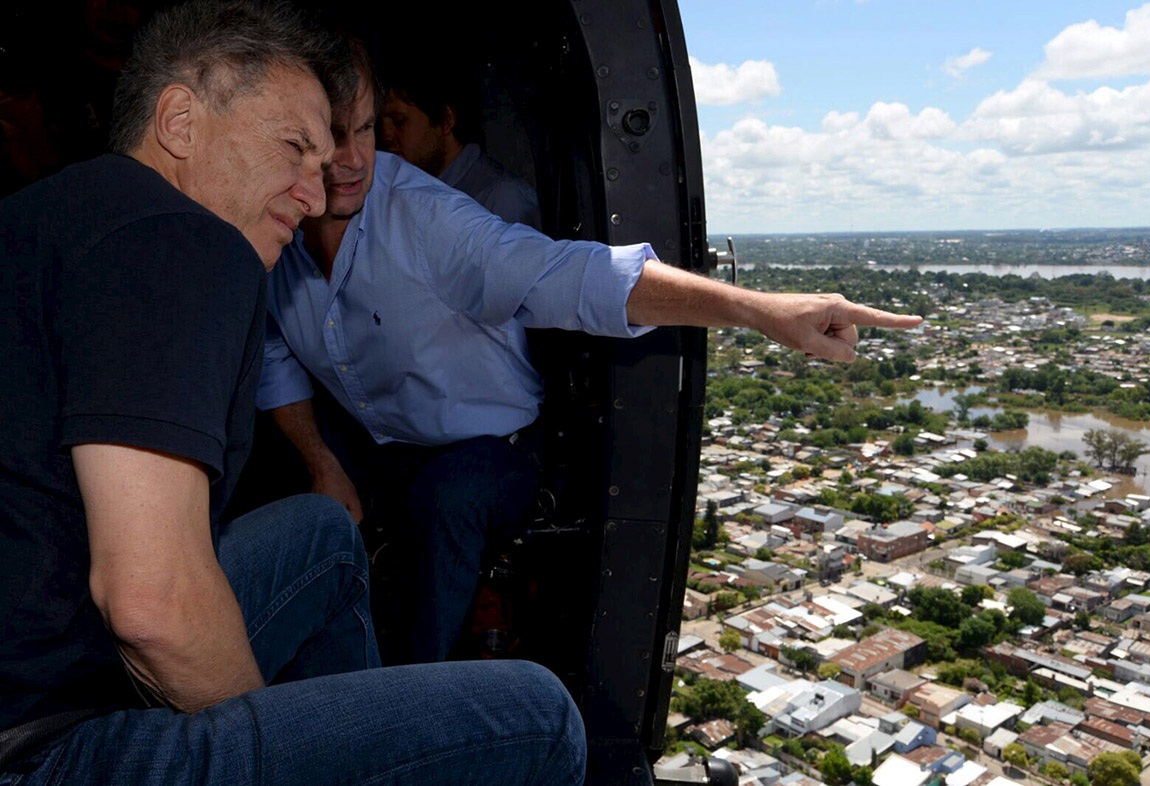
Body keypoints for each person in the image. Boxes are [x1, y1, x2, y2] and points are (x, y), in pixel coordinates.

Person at [0, 3, 586, 784]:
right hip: (45, 745)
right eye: (295, 149)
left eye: (330, 160)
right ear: (179, 120)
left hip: (42, 653)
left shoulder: (48, 214)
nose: (315, 196)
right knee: (540, 716)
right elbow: (151, 605)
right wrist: (272, 739)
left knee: (321, 536)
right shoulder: (182, 240)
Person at [259, 42, 923, 667]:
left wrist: (757, 310)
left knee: (446, 500)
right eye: (322, 139)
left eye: (368, 130)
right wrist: (321, 463)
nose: (350, 161)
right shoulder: (263, 220)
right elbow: (275, 353)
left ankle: (412, 699)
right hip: (374, 439)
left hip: (488, 447)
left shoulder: (427, 218)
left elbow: (566, 276)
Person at [380, 65, 541, 229]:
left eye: (399, 121)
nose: (386, 134)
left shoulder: (501, 199)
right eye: (379, 124)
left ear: (446, 120)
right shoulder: (400, 193)